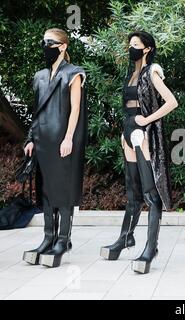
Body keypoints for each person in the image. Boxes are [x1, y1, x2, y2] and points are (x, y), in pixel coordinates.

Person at [100, 31, 178, 274]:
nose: (131, 48)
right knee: (133, 193)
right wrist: (127, 130)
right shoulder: (131, 73)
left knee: (150, 193)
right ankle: (126, 238)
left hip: (144, 135)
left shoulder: (151, 71)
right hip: (128, 132)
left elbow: (171, 101)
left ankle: (150, 248)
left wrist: (147, 121)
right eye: (130, 44)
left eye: (136, 44)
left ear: (147, 49)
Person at [22, 28, 87, 268]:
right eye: (43, 41)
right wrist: (30, 138)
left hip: (63, 139)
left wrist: (69, 138)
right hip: (43, 140)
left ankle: (63, 239)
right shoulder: (39, 76)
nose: (45, 45)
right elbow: (36, 110)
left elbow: (76, 110)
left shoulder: (74, 74)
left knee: (64, 190)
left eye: (50, 42)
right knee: (47, 191)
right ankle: (48, 238)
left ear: (62, 46)